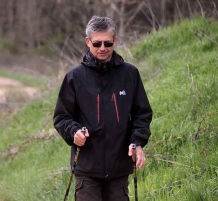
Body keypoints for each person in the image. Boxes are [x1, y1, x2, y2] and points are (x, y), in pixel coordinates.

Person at [53, 16, 153, 201]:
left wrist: (137, 142)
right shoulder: (74, 77)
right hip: (87, 169)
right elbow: (61, 116)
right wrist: (74, 131)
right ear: (87, 42)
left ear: (115, 41)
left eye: (107, 43)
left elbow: (142, 114)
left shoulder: (130, 74)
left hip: (118, 169)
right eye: (97, 43)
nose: (102, 48)